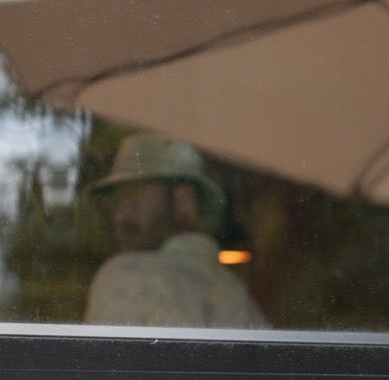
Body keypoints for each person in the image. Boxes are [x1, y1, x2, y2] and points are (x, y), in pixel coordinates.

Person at [84, 133, 266, 330]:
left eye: (134, 195)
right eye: (118, 201)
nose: (120, 216)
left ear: (183, 199)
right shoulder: (234, 292)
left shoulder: (124, 274)